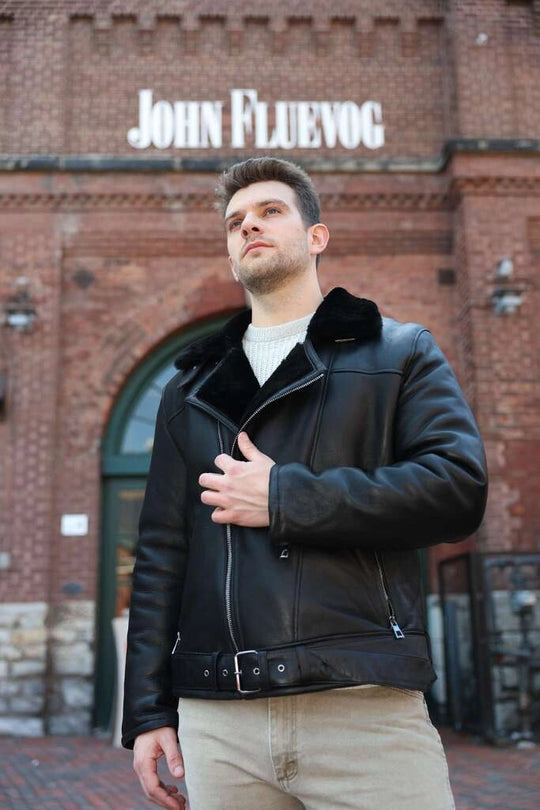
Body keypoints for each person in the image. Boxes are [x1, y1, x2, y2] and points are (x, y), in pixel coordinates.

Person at [121, 157, 488, 810]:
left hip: (362, 708)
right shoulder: (188, 392)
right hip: (220, 722)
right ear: (232, 257)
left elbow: (457, 490)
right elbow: (159, 556)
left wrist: (286, 497)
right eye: (235, 222)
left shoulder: (399, 354)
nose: (249, 227)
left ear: (317, 236)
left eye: (270, 211)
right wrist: (148, 712)